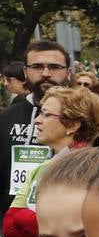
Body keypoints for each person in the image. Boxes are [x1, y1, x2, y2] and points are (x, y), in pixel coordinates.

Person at [3, 86, 99, 237]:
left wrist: (31, 220)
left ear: (72, 125)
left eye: (46, 114)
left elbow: (76, 227)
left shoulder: (95, 167)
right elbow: (9, 225)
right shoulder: (41, 168)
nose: (36, 120)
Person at [0, 40, 71, 215]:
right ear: (25, 71)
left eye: (54, 67)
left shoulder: (88, 116)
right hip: (13, 224)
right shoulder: (7, 116)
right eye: (37, 66)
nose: (46, 73)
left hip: (69, 222)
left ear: (68, 72)